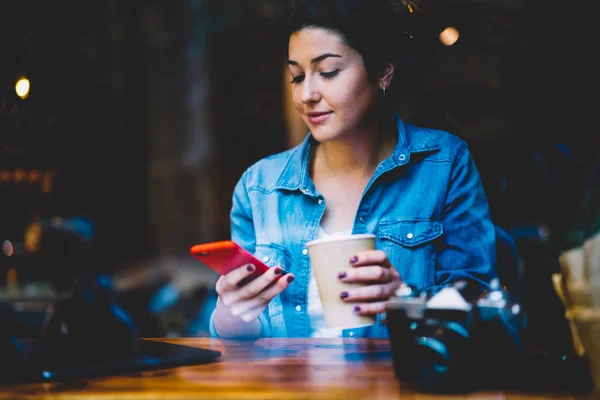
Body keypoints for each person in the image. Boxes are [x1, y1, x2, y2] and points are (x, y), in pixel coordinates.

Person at [210, 0, 497, 339]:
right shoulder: (259, 187)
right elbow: (240, 344)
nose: (307, 94)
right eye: (296, 76)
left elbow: (480, 303)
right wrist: (230, 317)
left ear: (382, 72)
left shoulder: (444, 164)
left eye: (328, 72)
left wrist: (403, 301)